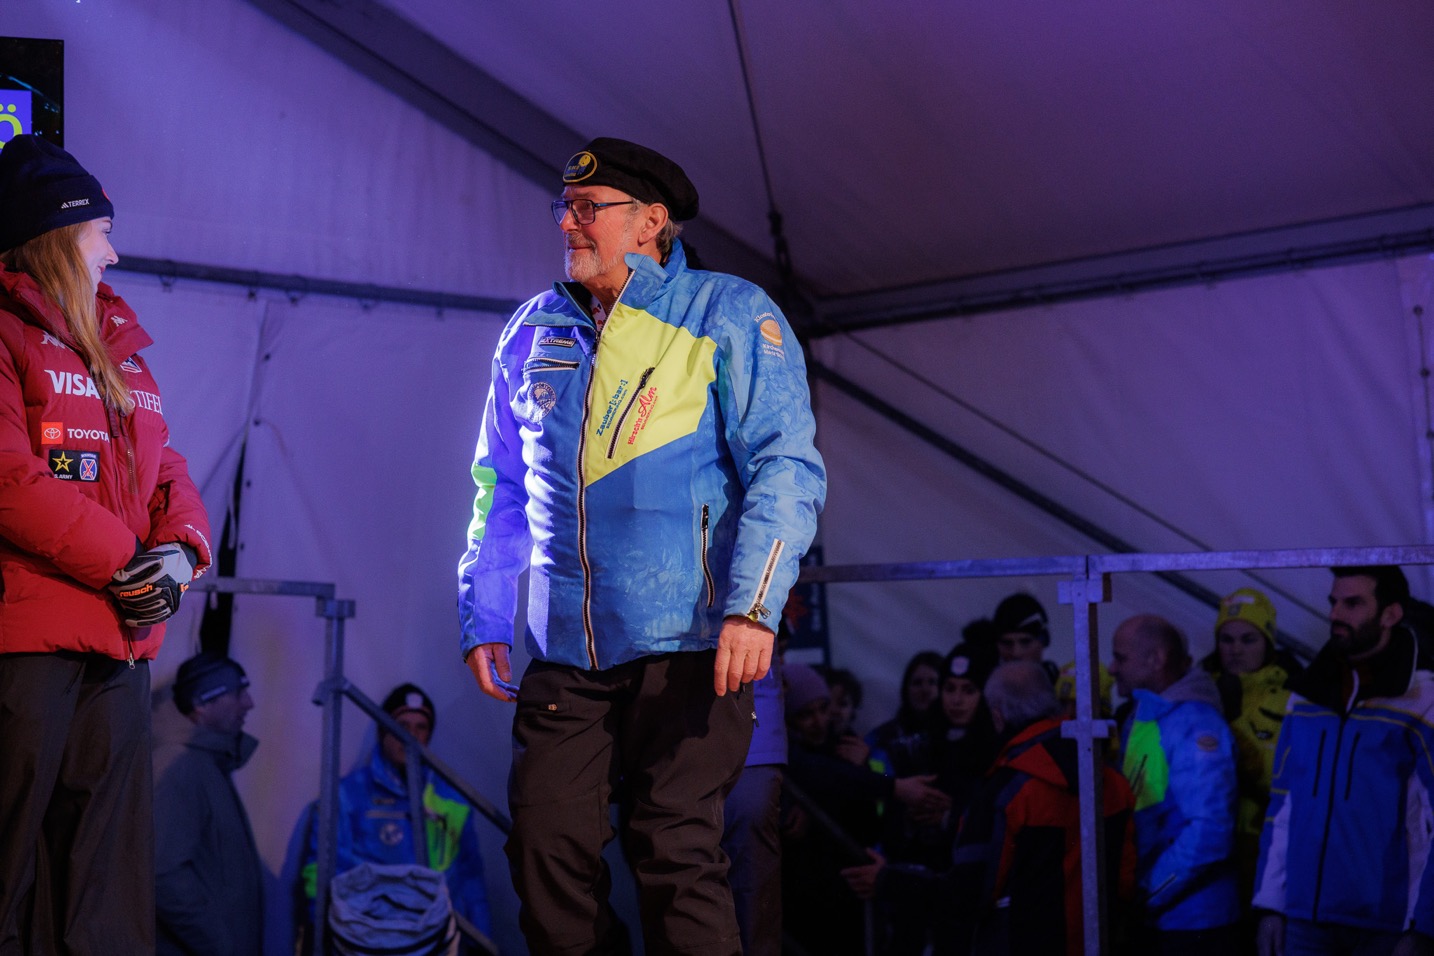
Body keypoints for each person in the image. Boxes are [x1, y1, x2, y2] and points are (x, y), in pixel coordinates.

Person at [455, 137, 826, 955]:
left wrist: (753, 609)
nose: (568, 222)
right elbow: (501, 484)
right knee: (544, 854)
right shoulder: (535, 326)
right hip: (565, 650)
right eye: (565, 206)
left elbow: (786, 467)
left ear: (651, 221)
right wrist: (484, 611)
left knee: (676, 855)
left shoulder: (728, 311)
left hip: (693, 646)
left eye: (589, 208)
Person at [0, 134, 212, 954]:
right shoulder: (8, 333)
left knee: (106, 889)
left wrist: (181, 553)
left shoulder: (116, 341)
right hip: (28, 644)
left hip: (120, 645)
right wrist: (127, 563)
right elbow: (10, 478)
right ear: (56, 237)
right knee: (14, 871)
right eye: (102, 234)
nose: (114, 254)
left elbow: (168, 467)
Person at [842, 661, 1138, 955]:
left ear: (997, 716)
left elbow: (967, 894)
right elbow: (1125, 882)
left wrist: (888, 880)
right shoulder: (1111, 780)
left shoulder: (1009, 790)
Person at [1253, 566, 1434, 956]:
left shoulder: (1423, 701)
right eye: (1333, 602)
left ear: (1390, 614)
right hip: (1303, 919)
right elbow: (1283, 805)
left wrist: (1424, 927)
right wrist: (1271, 904)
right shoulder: (1305, 697)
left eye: (1353, 603)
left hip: (1388, 925)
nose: (1335, 614)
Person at [300, 683, 492, 944]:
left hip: (436, 939)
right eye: (401, 725)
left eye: (421, 727)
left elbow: (471, 878)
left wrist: (481, 940)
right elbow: (321, 871)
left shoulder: (452, 799)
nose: (410, 735)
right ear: (383, 730)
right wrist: (322, 933)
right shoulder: (348, 796)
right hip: (370, 940)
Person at [1109, 613, 1240, 953]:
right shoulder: (1147, 715)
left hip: (1195, 922)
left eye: (1121, 658)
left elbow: (1210, 830)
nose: (1111, 668)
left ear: (1156, 659)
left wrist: (1148, 891)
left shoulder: (1196, 724)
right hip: (1161, 914)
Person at [153, 652, 262, 956]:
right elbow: (163, 873)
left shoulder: (206, 764)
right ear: (202, 703)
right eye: (238, 693)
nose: (249, 703)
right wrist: (221, 946)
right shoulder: (180, 767)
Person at [1199, 587, 1301, 908]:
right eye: (1226, 639)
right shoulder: (1197, 695)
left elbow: (1295, 780)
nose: (1236, 650)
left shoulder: (1293, 701)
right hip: (1204, 845)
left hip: (1266, 850)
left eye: (1248, 639)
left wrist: (1234, 734)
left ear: (1268, 643)